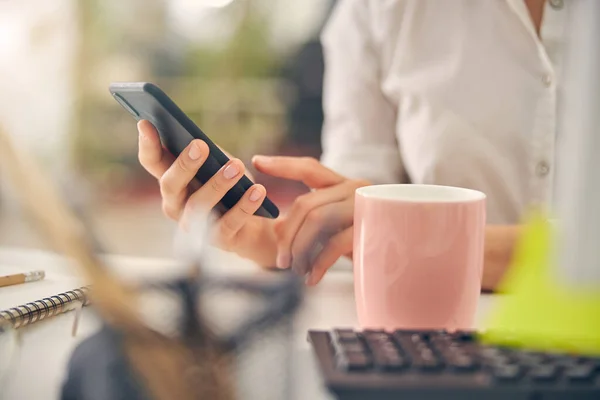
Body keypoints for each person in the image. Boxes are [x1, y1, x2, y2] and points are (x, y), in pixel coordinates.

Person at [137, 0, 561, 291]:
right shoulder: (373, 11)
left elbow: (390, 235)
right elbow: (362, 222)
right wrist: (272, 238)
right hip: (449, 329)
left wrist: (436, 244)